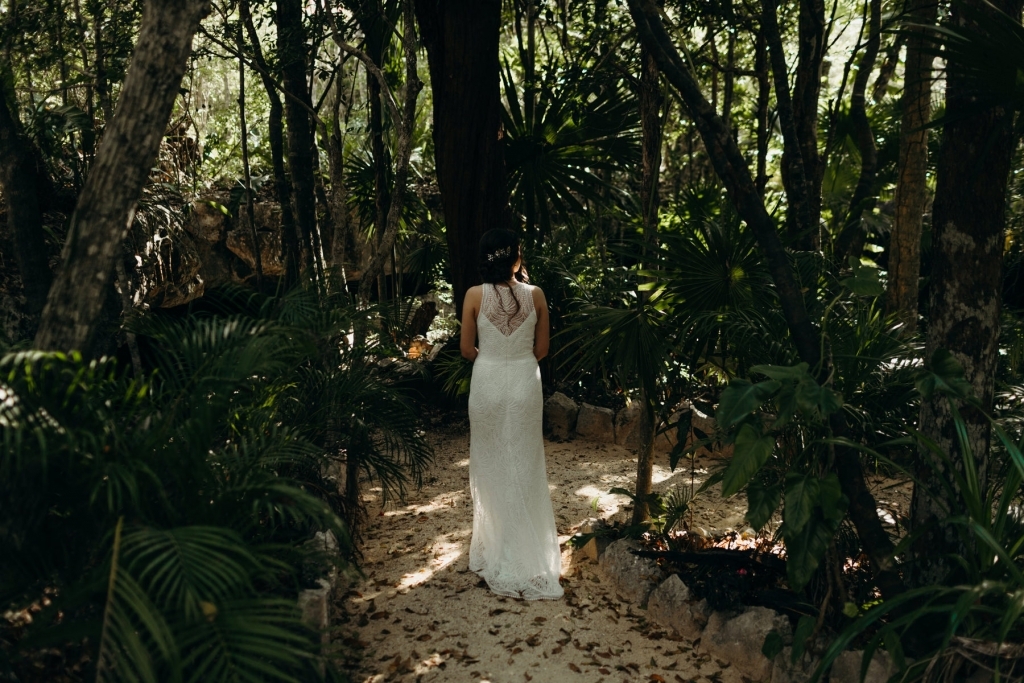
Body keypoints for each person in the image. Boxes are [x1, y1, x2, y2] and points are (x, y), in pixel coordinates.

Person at [460, 229, 564, 600]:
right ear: (515, 258)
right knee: (525, 460)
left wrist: (491, 359)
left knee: (490, 461)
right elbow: (542, 348)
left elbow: (466, 349)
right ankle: (527, 548)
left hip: (487, 382)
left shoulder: (474, 295)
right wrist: (516, 362)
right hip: (524, 382)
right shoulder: (536, 294)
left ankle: (498, 545)